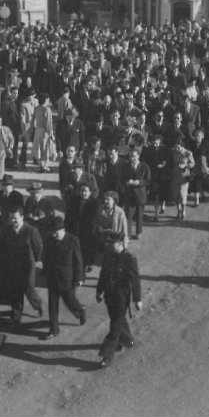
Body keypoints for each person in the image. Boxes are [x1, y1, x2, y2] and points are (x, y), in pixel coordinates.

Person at [95, 231, 142, 368]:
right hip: (109, 296)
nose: (109, 245)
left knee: (115, 326)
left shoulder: (129, 259)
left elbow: (135, 280)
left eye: (112, 243)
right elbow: (103, 274)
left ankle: (106, 355)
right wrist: (99, 291)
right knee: (118, 320)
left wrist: (137, 299)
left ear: (120, 244)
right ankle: (127, 340)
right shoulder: (108, 256)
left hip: (122, 297)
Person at [0, 209, 44, 323]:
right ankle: (16, 315)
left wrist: (35, 259)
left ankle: (38, 304)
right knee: (15, 289)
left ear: (22, 217)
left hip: (27, 265)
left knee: (28, 288)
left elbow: (38, 246)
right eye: (11, 218)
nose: (13, 220)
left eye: (15, 218)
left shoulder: (30, 230)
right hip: (13, 264)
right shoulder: (8, 230)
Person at [41, 216, 86, 340]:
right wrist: (45, 270)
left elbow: (78, 260)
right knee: (52, 303)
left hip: (67, 278)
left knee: (70, 301)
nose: (54, 235)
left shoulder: (73, 240)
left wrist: (79, 278)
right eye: (52, 232)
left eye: (56, 233)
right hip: (52, 276)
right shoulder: (49, 240)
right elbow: (46, 256)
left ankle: (80, 311)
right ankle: (54, 329)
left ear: (63, 230)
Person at [122, 148, 150, 238]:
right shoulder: (125, 166)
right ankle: (128, 233)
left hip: (140, 194)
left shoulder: (144, 166)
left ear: (138, 156)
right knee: (128, 215)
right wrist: (126, 182)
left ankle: (139, 232)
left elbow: (148, 181)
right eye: (130, 156)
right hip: (129, 194)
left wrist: (139, 182)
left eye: (133, 156)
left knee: (139, 214)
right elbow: (121, 179)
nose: (131, 158)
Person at [168, 135, 195, 220]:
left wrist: (185, 165)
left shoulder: (188, 153)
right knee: (176, 194)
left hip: (184, 176)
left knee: (183, 194)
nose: (177, 148)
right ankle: (178, 211)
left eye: (179, 147)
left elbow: (192, 163)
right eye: (176, 147)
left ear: (182, 146)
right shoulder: (172, 152)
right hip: (175, 175)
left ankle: (183, 211)